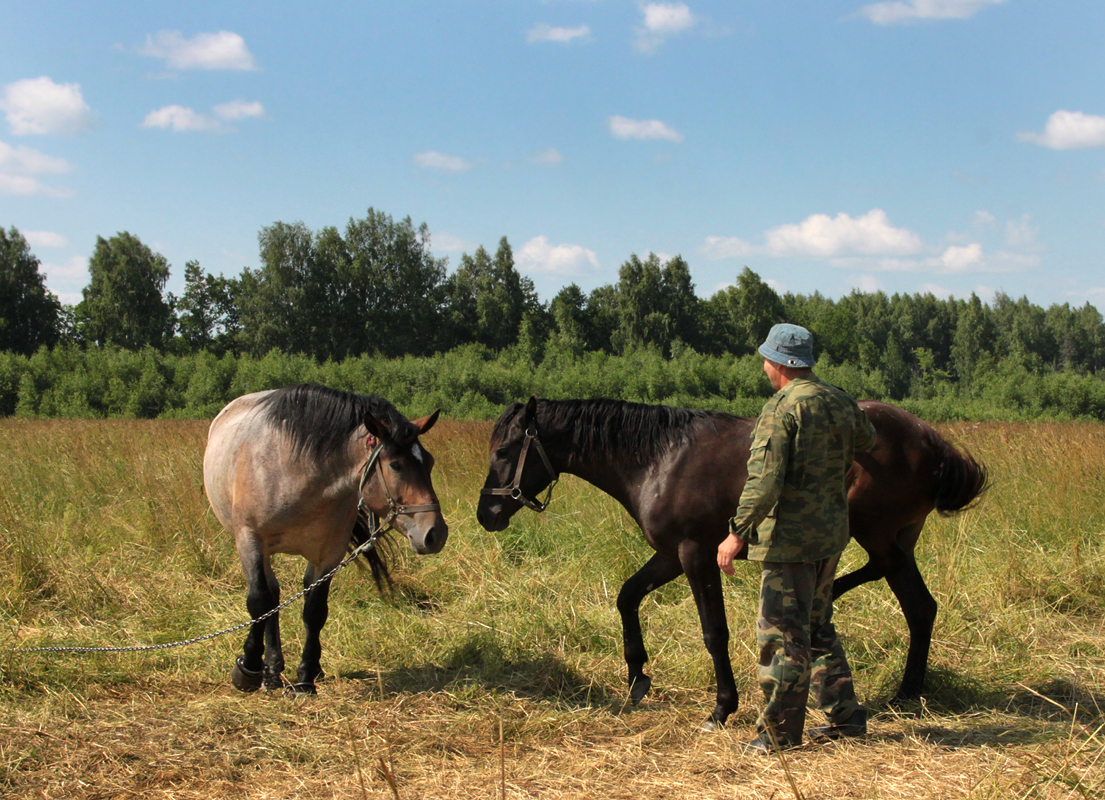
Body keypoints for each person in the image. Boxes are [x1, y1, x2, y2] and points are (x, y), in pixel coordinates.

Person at [717, 323, 877, 754]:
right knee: (817, 626)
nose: (765, 368)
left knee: (783, 636)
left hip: (790, 541)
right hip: (830, 534)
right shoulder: (839, 400)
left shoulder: (782, 408)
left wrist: (736, 535)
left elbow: (764, 481)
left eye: (767, 360)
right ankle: (847, 717)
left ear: (782, 364)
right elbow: (869, 438)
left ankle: (780, 735)